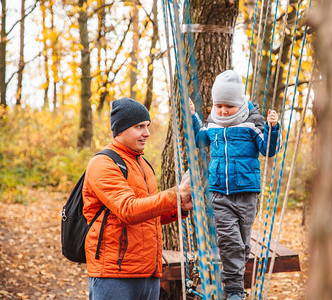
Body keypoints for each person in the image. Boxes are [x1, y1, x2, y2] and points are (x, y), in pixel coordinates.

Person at [83, 97, 193, 300]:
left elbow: (148, 214)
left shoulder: (142, 164)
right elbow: (129, 210)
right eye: (139, 126)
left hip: (149, 274)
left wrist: (180, 207)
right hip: (115, 276)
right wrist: (174, 195)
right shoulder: (103, 164)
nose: (147, 133)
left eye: (147, 126)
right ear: (120, 129)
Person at [189, 70, 280, 300]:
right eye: (218, 105)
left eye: (227, 106)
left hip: (247, 193)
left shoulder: (252, 121)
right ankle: (234, 290)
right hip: (220, 193)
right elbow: (200, 140)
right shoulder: (213, 123)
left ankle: (235, 281)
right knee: (229, 241)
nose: (222, 111)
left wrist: (272, 128)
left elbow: (268, 150)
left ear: (239, 103)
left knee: (241, 243)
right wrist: (193, 118)